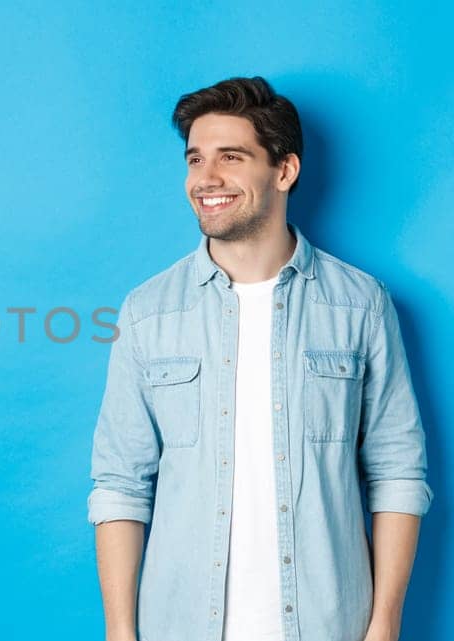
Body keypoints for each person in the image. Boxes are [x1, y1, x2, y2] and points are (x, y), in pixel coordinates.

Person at [88, 76, 431, 641]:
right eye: (195, 159)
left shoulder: (360, 305)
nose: (206, 179)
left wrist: (384, 622)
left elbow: (397, 470)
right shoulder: (148, 313)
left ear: (284, 170)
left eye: (231, 157)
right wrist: (120, 634)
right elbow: (121, 484)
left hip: (327, 624)